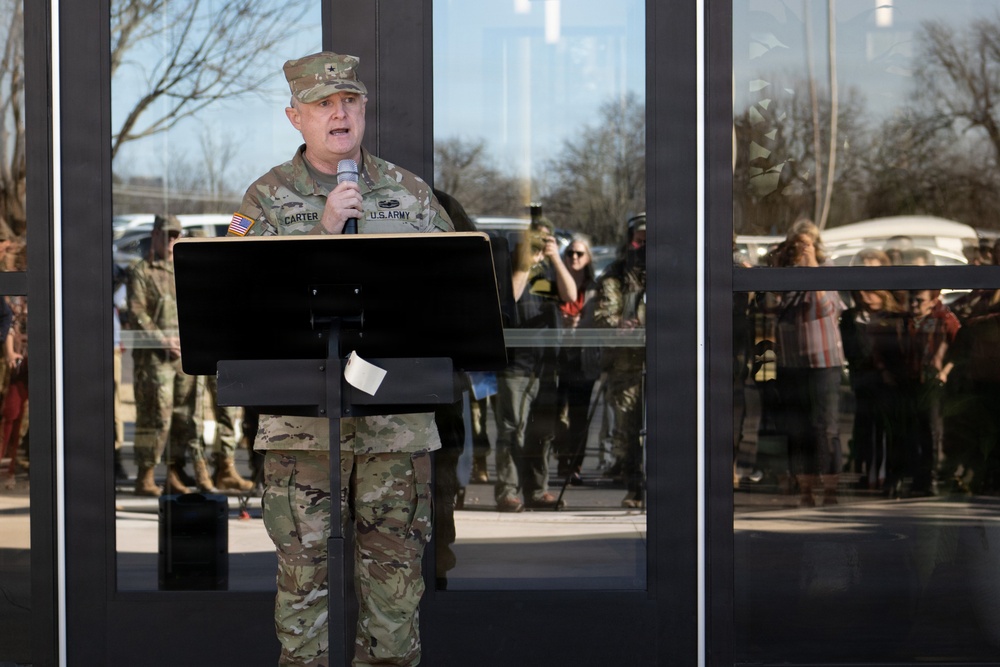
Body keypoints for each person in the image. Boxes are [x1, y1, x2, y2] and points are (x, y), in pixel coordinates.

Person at [229, 52, 454, 667]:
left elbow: (452, 296)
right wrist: (321, 234)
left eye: (349, 101)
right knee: (302, 595)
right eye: (323, 104)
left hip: (395, 426)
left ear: (363, 110)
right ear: (294, 116)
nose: (339, 113)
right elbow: (240, 303)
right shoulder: (268, 198)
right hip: (304, 430)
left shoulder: (410, 193)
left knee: (395, 594)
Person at [493, 216, 576, 512]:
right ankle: (508, 492)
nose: (539, 246)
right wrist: (527, 263)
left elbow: (571, 295)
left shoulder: (548, 273)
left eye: (544, 240)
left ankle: (538, 491)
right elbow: (509, 300)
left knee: (542, 432)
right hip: (515, 363)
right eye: (534, 241)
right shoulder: (512, 268)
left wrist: (555, 258)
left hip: (545, 365)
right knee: (511, 429)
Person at [127, 215, 208, 496]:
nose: (172, 241)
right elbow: (137, 312)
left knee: (184, 416)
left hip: (184, 357)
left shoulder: (183, 268)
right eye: (167, 235)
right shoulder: (141, 271)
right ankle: (145, 475)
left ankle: (174, 473)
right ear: (156, 235)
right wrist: (163, 340)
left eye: (177, 235)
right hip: (154, 358)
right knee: (156, 416)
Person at [766, 219, 845, 506]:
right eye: (796, 245)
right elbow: (767, 309)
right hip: (790, 361)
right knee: (797, 428)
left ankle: (831, 488)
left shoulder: (827, 271)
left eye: (807, 244)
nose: (800, 250)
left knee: (825, 426)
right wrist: (776, 267)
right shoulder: (783, 275)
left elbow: (826, 308)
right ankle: (806, 489)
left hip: (823, 361)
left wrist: (811, 265)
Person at [594, 213, 647, 508]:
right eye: (640, 239)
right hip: (626, 366)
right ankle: (634, 490)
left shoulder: (670, 271)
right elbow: (602, 316)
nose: (644, 246)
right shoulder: (615, 274)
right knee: (628, 428)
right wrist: (620, 325)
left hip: (664, 365)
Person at [554, 235, 601, 485]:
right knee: (556, 415)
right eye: (570, 253)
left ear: (588, 258)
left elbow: (604, 320)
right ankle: (562, 461)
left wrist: (581, 324)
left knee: (579, 416)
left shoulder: (596, 287)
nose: (574, 257)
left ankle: (574, 465)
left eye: (580, 253)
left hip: (584, 359)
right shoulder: (553, 283)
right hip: (558, 356)